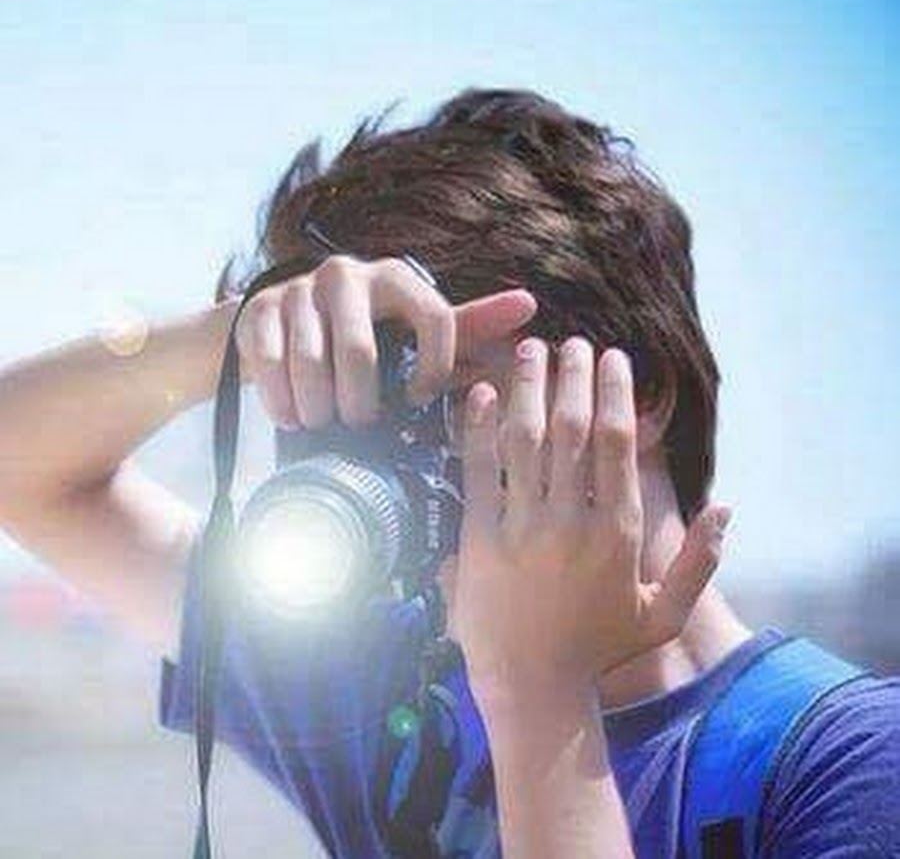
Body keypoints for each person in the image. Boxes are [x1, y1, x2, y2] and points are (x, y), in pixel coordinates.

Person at [0, 87, 897, 858]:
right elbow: (22, 473)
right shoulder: (377, 681)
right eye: (361, 417)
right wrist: (230, 339)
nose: (400, 467)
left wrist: (539, 692)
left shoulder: (851, 764)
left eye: (450, 400)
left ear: (643, 391)